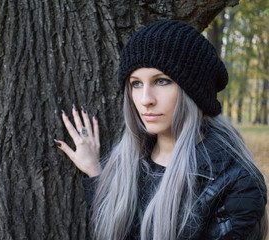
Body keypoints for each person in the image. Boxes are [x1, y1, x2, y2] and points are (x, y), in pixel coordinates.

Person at [54, 20, 268, 240]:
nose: (145, 99)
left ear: (193, 92)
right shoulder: (128, 164)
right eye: (136, 83)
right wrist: (96, 173)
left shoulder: (237, 185)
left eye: (162, 81)